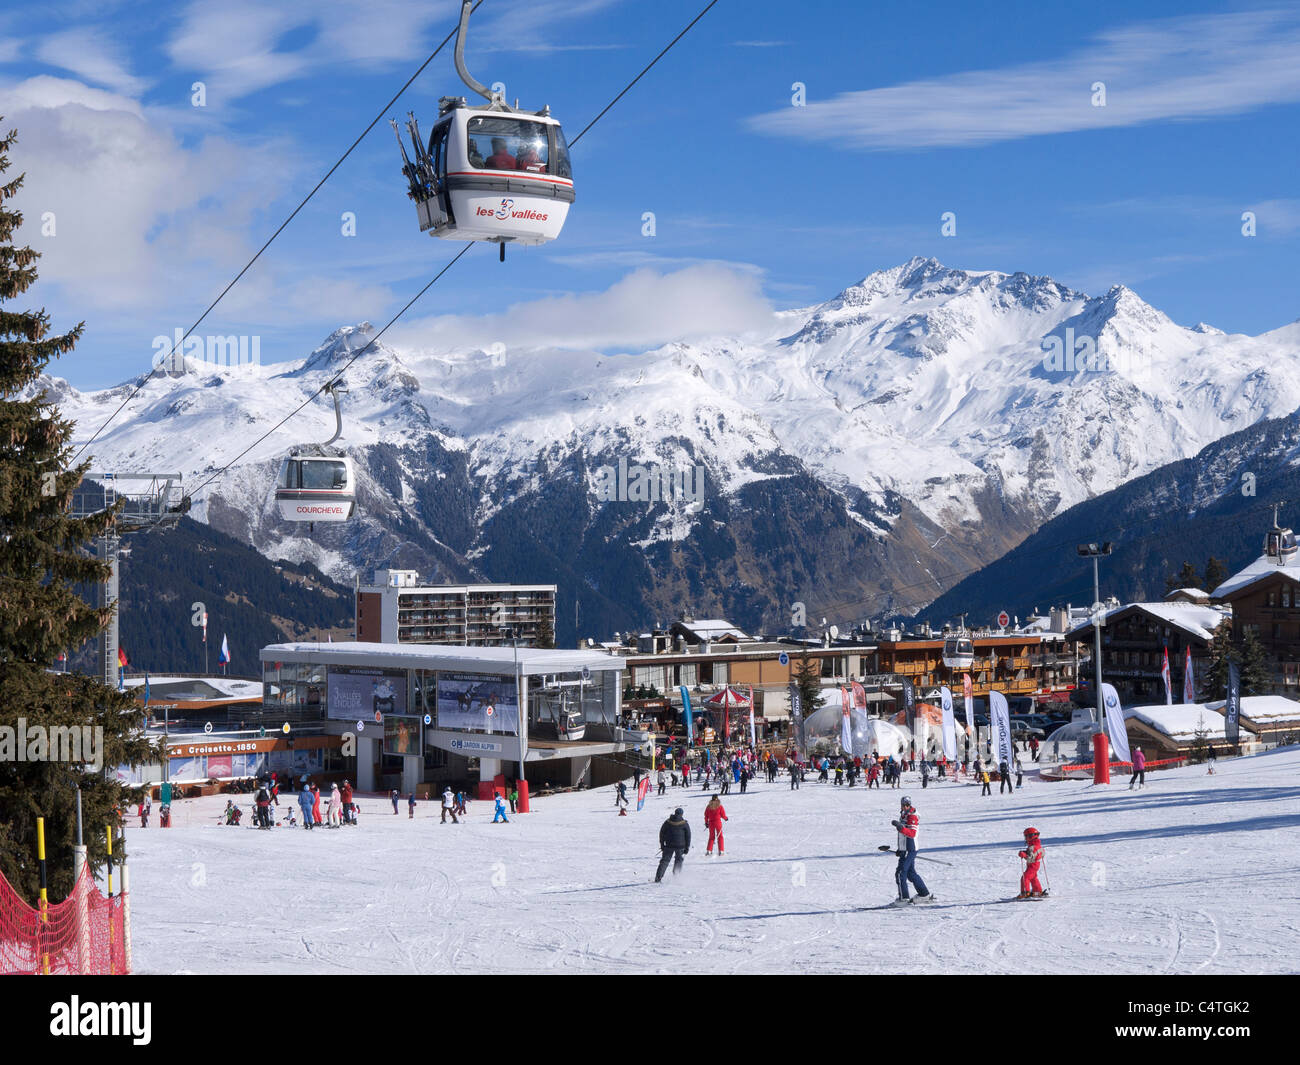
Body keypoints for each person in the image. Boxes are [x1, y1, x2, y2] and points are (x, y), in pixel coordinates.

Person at [890, 796, 934, 905]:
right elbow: (903, 836)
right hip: (905, 849)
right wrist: (900, 850)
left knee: (901, 873)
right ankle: (924, 894)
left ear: (910, 805)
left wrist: (901, 828)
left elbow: (912, 834)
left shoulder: (912, 816)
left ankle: (904, 898)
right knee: (910, 873)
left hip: (910, 849)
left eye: (907, 805)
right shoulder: (904, 815)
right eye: (903, 805)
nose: (905, 807)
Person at [655, 807, 691, 882]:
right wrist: (687, 847)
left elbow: (662, 833)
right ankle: (676, 876)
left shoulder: (667, 822)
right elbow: (688, 836)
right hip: (680, 846)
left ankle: (658, 878)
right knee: (679, 860)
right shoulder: (684, 823)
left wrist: (662, 844)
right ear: (682, 814)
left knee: (665, 861)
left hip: (669, 845)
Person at [1017, 827, 1046, 899]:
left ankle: (1025, 893)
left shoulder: (1033, 847)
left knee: (1025, 877)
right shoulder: (1034, 845)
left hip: (1033, 865)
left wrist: (1023, 855)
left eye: (1026, 836)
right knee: (1033, 878)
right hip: (1034, 865)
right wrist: (1025, 852)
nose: (1025, 838)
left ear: (1031, 836)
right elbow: (1033, 854)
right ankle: (1037, 891)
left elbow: (1030, 858)